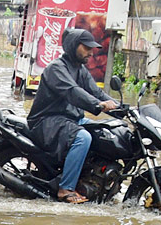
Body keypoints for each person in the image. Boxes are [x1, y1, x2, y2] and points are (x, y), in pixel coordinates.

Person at [27, 27, 119, 203]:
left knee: (103, 131)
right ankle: (66, 188)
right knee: (82, 138)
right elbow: (73, 92)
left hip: (70, 119)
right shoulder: (56, 69)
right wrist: (97, 105)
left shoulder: (80, 70)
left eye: (92, 48)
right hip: (47, 120)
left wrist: (121, 108)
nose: (91, 52)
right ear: (72, 45)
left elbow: (97, 93)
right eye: (86, 47)